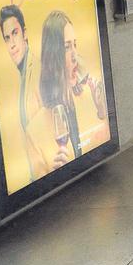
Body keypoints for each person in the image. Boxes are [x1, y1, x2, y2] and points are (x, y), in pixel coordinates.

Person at [37, 10, 109, 171]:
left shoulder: (88, 99)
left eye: (75, 45)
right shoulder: (35, 131)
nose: (75, 55)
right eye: (67, 47)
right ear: (52, 55)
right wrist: (54, 174)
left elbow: (103, 152)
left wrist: (102, 113)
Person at [0, 5, 46, 179]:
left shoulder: (38, 72)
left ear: (25, 33)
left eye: (15, 33)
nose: (12, 44)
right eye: (7, 38)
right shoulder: (24, 75)